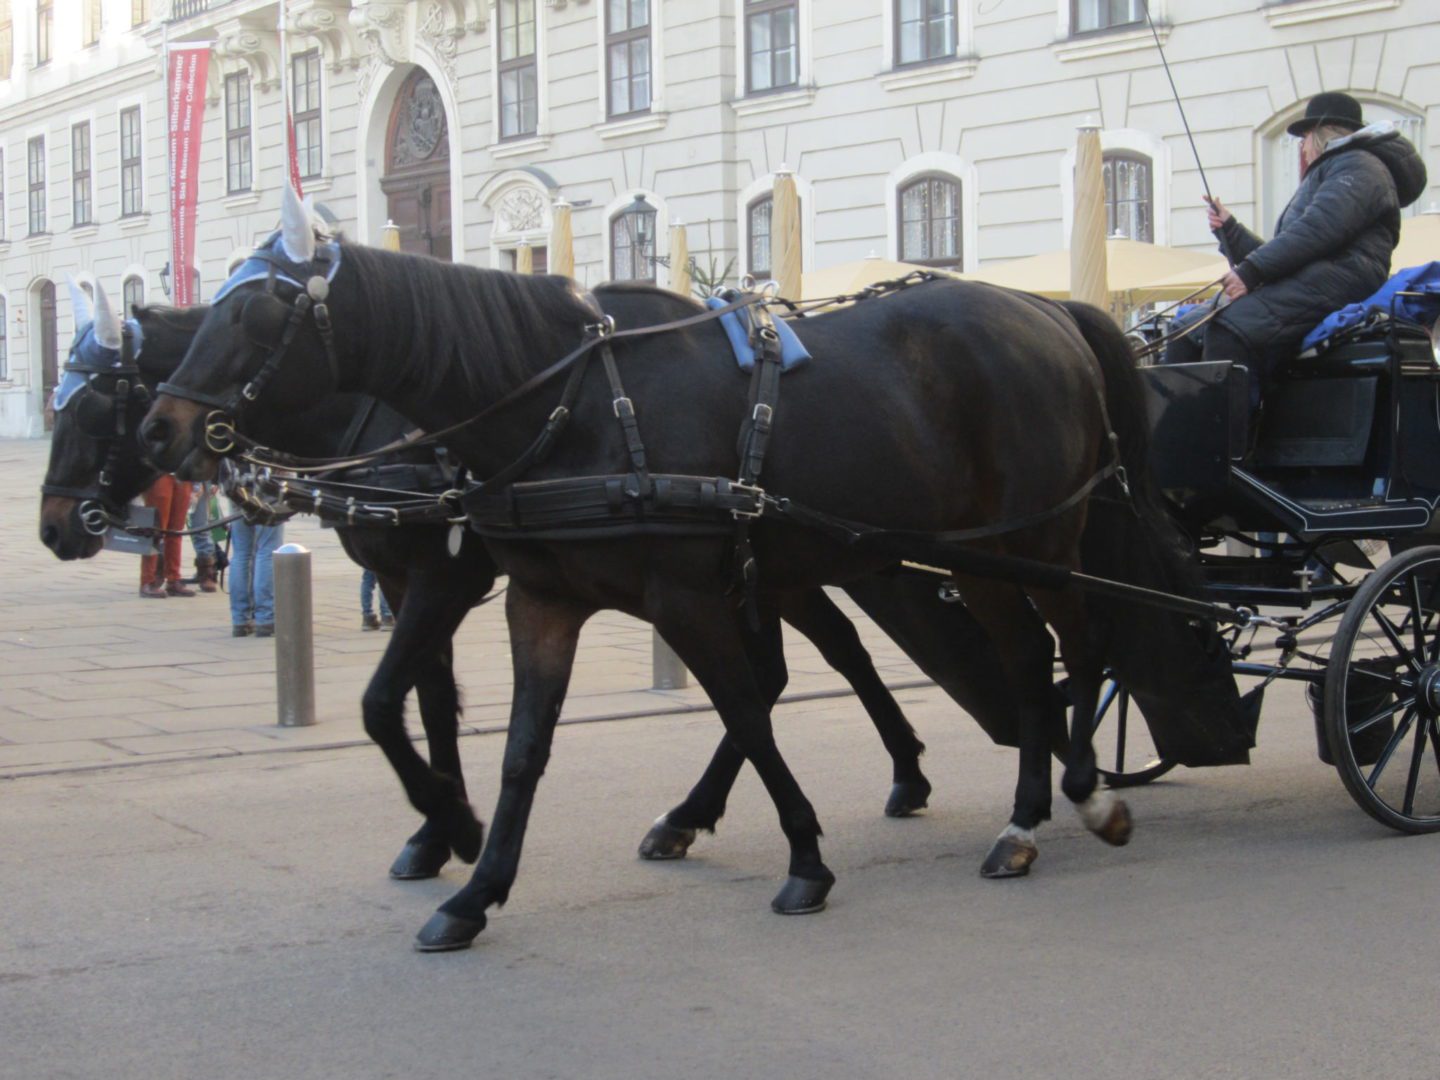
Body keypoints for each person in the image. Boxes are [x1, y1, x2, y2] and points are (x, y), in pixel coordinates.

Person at [1164, 91, 1427, 411]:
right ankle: (1177, 444)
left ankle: (1229, 453)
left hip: (1343, 276)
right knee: (1184, 330)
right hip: (1319, 274)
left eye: (1304, 138)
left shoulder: (1361, 166)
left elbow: (1317, 231)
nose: (1302, 147)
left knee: (1230, 330)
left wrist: (1251, 271)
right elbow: (1293, 249)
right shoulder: (1339, 168)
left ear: (1321, 133)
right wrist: (1230, 229)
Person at [228, 509, 285, 638]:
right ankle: (266, 619)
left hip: (235, 490)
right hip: (267, 493)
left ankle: (240, 620)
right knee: (267, 549)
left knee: (241, 553)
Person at [138, 475, 194, 598]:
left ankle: (173, 579)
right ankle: (147, 581)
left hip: (183, 474)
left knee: (176, 531)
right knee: (154, 530)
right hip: (160, 472)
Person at [188, 483, 221, 593]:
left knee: (201, 524)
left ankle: (207, 573)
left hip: (200, 474)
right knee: (166, 526)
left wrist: (215, 480)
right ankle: (167, 575)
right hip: (169, 472)